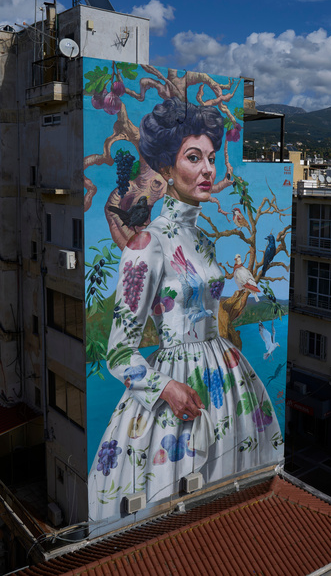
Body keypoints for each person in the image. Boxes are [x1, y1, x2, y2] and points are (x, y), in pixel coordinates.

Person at [87, 97, 283, 521]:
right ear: (166, 169)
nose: (208, 170)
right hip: (177, 391)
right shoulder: (146, 244)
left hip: (228, 383)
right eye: (193, 158)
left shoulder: (204, 240)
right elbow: (119, 353)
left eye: (211, 158)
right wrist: (167, 390)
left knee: (233, 510)